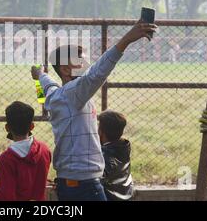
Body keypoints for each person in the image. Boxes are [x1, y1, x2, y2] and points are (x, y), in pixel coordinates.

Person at [31, 20, 156, 201]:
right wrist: (127, 39)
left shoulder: (57, 95)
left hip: (70, 182)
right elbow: (98, 73)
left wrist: (39, 74)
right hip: (85, 185)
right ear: (66, 69)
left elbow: (48, 85)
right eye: (80, 61)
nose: (86, 63)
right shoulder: (74, 92)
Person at [0, 101, 52, 201]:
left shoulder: (6, 159)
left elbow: (6, 198)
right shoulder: (44, 150)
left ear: (7, 128)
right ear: (32, 126)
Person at [98, 110, 133, 201]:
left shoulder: (105, 156)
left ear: (101, 132)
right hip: (126, 197)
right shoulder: (123, 147)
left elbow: (92, 181)